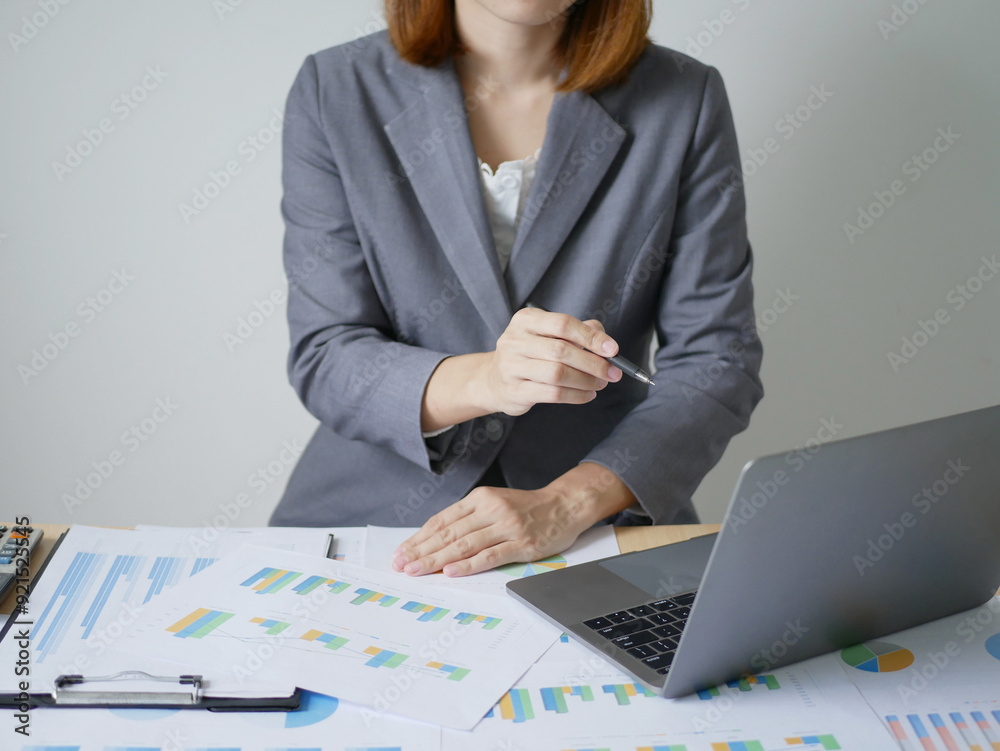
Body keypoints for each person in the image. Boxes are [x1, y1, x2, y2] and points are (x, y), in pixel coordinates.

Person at [268, 0, 764, 578]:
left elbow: (716, 361)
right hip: (374, 522)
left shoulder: (684, 97)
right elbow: (326, 353)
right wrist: (490, 378)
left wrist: (569, 503)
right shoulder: (335, 89)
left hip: (595, 525)